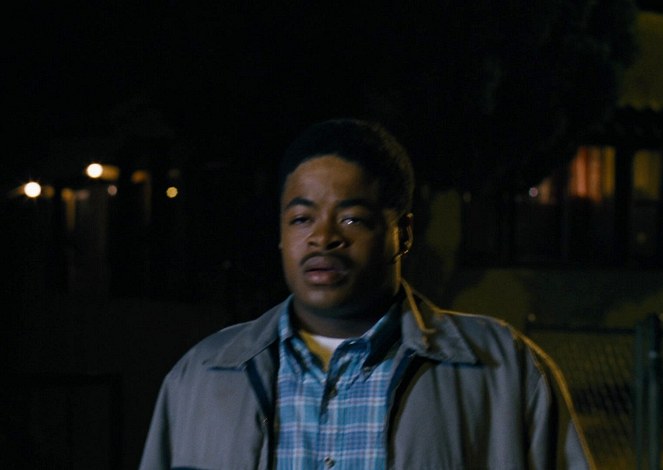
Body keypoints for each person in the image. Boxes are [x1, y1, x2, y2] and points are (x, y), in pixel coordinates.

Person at [138, 118, 595, 469]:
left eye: (352, 218)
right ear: (280, 234)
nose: (323, 238)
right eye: (301, 219)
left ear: (403, 233)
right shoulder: (202, 375)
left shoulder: (503, 370)